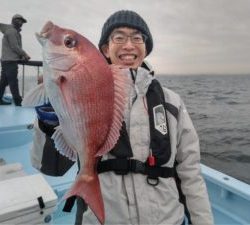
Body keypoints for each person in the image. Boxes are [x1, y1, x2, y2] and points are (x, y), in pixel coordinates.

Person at [31, 10, 214, 225]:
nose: (129, 45)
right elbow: (51, 168)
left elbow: (190, 173)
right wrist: (48, 122)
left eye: (137, 38)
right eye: (119, 37)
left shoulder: (172, 102)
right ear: (106, 49)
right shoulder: (81, 90)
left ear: (145, 49)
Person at [0, 14, 30, 106]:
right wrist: (25, 55)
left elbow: (12, 48)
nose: (21, 23)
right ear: (14, 20)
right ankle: (18, 102)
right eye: (19, 20)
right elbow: (14, 47)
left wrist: (20, 57)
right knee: (13, 82)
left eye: (22, 21)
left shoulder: (12, 31)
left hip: (6, 61)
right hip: (10, 62)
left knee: (3, 82)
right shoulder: (12, 31)